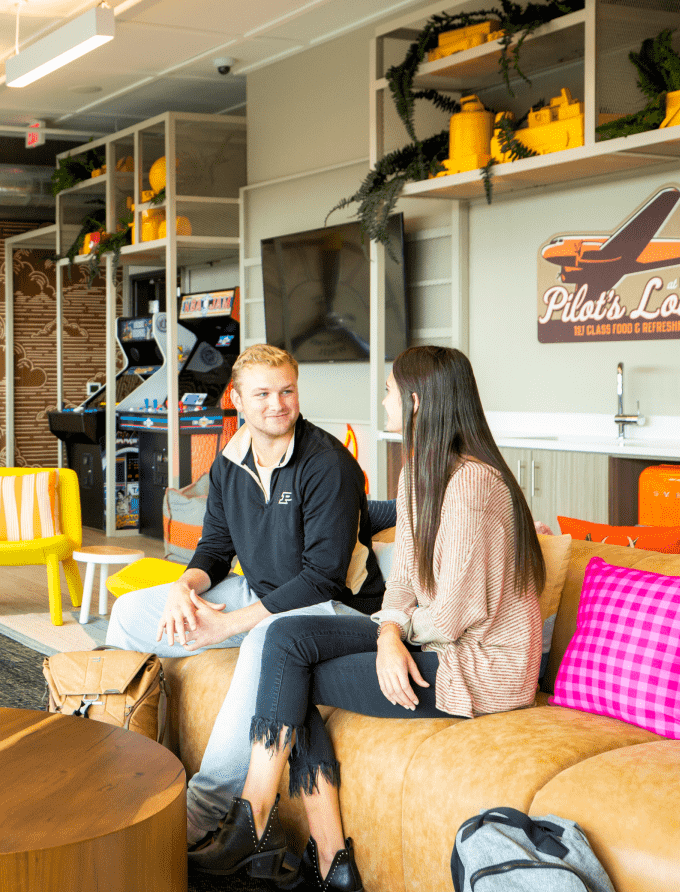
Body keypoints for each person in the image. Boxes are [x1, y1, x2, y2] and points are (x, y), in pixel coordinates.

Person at [188, 346, 546, 890]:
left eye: (388, 390)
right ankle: (311, 853)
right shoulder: (418, 477)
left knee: (290, 666)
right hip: (432, 643)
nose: (382, 399)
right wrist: (391, 625)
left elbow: (453, 614)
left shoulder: (474, 484)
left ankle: (276, 835)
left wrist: (389, 632)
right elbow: (403, 580)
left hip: (477, 669)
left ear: (417, 401)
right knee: (286, 636)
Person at [106, 343, 384, 849]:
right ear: (236, 398)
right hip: (258, 592)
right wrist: (183, 588)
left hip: (332, 609)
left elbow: (322, 576)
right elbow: (214, 547)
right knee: (129, 613)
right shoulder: (230, 461)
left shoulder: (329, 465)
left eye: (287, 391)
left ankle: (200, 816)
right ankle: (126, 759)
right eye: (262, 394)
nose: (277, 404)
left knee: (264, 641)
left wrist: (232, 624)